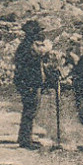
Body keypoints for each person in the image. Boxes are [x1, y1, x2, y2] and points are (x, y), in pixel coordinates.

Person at [13, 19, 59, 149]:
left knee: (30, 110)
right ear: (32, 33)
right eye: (38, 32)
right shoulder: (28, 46)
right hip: (30, 84)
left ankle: (25, 138)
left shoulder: (26, 45)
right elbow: (37, 57)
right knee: (30, 111)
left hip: (29, 83)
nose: (40, 34)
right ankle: (25, 140)